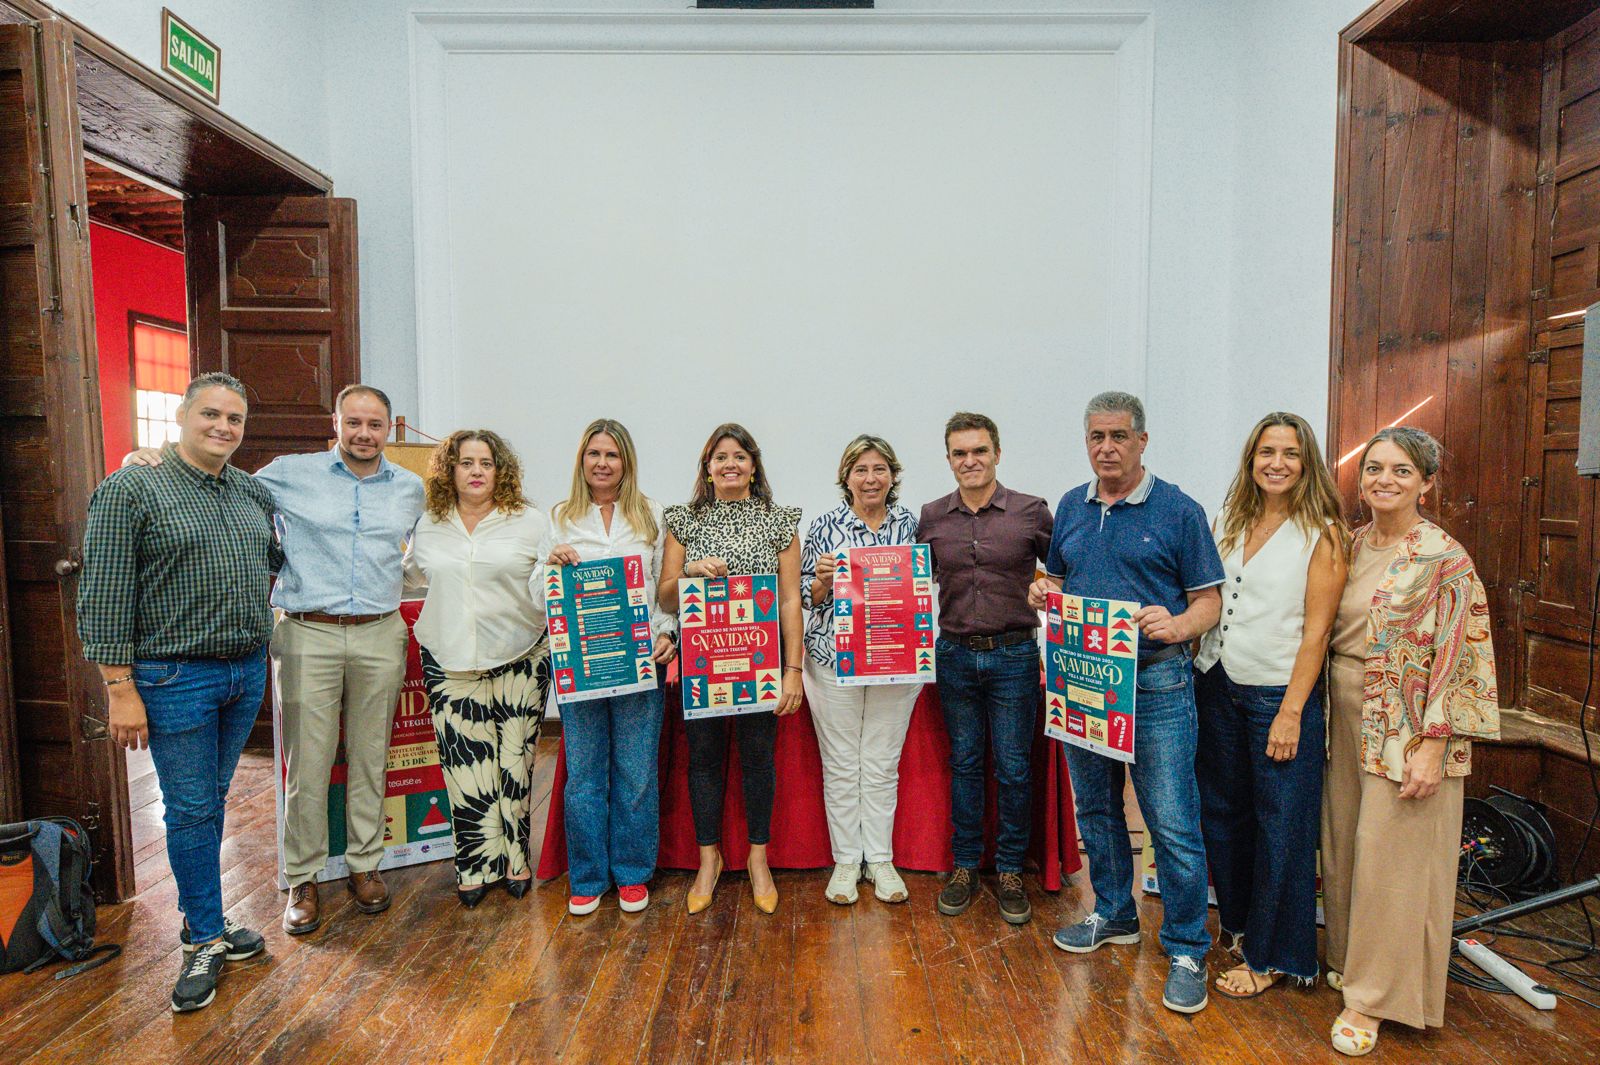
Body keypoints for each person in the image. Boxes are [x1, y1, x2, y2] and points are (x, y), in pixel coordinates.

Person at [132, 384, 427, 933]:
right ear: (334, 424)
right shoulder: (288, 472)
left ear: (388, 430)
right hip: (307, 633)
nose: (364, 434)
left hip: (380, 633)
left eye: (375, 425)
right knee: (308, 762)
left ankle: (365, 864)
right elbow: (212, 480)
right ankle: (304, 877)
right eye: (353, 422)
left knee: (370, 754)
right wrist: (144, 457)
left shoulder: (411, 488)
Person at [79, 372, 277, 1012]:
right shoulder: (132, 488)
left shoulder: (248, 491)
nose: (224, 428)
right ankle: (205, 942)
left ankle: (202, 921)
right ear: (182, 417)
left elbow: (270, 560)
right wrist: (118, 690)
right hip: (173, 677)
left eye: (235, 420)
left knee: (210, 799)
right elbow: (103, 594)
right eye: (211, 415)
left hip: (244, 669)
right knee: (191, 808)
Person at [1031, 390, 1224, 1014]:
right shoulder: (1071, 506)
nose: (1106, 448)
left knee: (1171, 819)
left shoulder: (1179, 511)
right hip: (1084, 679)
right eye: (1096, 438)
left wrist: (1176, 625)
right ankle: (1114, 914)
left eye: (1118, 436)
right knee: (1096, 811)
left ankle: (1189, 945)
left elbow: (1208, 603)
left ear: (1142, 441)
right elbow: (1060, 579)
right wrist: (1044, 591)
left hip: (1158, 684)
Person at [1321, 427, 1498, 1056]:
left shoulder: (1444, 558)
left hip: (1410, 721)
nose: (1384, 481)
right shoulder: (1350, 541)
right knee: (1344, 846)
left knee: (1393, 859)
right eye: (1373, 469)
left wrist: (1433, 742)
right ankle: (1346, 961)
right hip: (1341, 709)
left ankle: (1374, 1001)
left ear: (1426, 483)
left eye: (1400, 471)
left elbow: (1467, 657)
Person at [1193, 412, 1347, 997]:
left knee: (1282, 826)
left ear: (1306, 463)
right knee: (1224, 815)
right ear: (1251, 460)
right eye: (1266, 452)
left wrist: (1291, 712)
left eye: (1289, 453)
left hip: (1280, 695)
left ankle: (1273, 955)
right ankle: (1237, 925)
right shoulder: (1230, 519)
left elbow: (1317, 633)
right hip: (1217, 682)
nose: (1276, 463)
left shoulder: (1324, 533)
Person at [659, 423, 804, 915]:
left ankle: (758, 858)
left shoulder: (778, 520)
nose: (730, 464)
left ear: (754, 465)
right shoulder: (685, 519)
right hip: (703, 664)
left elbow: (789, 599)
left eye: (740, 456)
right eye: (720, 456)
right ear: (707, 467)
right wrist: (689, 574)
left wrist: (793, 669)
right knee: (704, 760)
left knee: (758, 759)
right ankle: (708, 859)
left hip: (759, 664)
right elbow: (663, 595)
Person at [403, 430, 552, 907]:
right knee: (466, 770)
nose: (475, 472)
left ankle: (516, 859)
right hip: (450, 661)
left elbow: (545, 582)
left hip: (520, 657)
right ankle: (473, 865)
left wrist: (560, 570)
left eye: (485, 463)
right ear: (450, 471)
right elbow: (411, 574)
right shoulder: (430, 523)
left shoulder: (529, 521)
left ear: (499, 470)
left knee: (514, 766)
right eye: (465, 463)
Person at [919, 412, 1053, 926]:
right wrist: (841, 576)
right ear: (948, 459)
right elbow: (904, 580)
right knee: (966, 764)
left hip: (1015, 656)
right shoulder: (931, 516)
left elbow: (1065, 572)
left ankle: (1013, 870)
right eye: (959, 453)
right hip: (952, 654)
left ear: (997, 452)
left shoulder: (1032, 511)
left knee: (1015, 767)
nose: (970, 461)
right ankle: (965, 866)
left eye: (979, 450)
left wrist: (1050, 587)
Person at [545, 419, 678, 916]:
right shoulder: (559, 516)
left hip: (638, 662)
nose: (603, 463)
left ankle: (632, 872)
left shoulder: (650, 515)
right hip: (580, 667)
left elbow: (665, 585)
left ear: (627, 462)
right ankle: (587, 875)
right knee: (583, 775)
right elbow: (541, 591)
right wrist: (551, 567)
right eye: (594, 454)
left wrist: (668, 633)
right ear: (581, 460)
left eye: (613, 455)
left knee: (636, 771)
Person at [799, 435, 922, 905]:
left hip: (897, 661)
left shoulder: (911, 525)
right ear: (845, 477)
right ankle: (847, 860)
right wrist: (824, 581)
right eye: (860, 469)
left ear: (892, 475)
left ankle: (882, 859)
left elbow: (924, 586)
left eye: (879, 469)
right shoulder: (824, 527)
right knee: (842, 762)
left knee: (881, 762)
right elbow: (806, 599)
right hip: (833, 659)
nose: (871, 478)